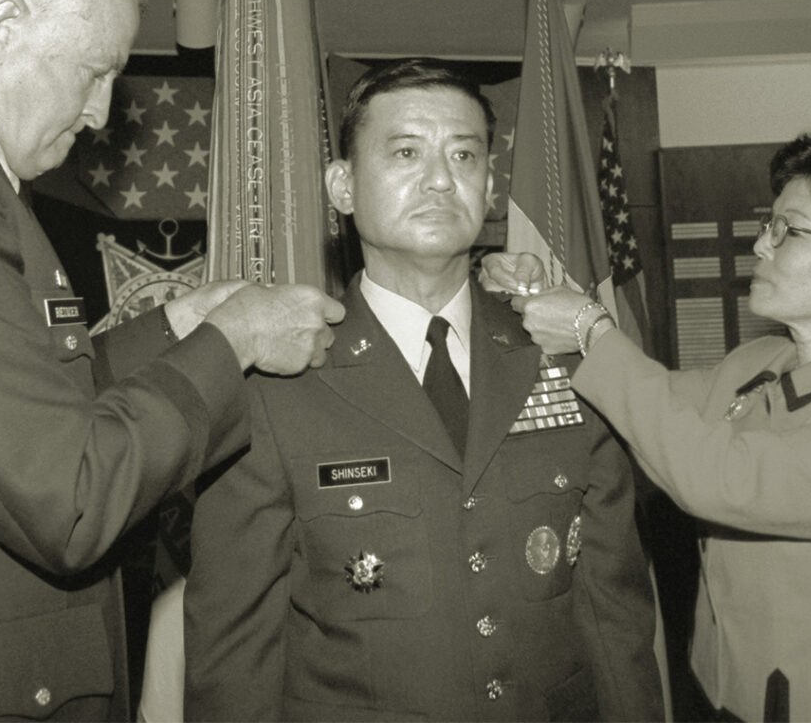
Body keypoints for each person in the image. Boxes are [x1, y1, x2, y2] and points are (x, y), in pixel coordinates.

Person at [0, 0, 344, 722]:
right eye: (95, 71)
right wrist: (231, 339)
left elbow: (32, 404)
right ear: (3, 28)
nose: (102, 113)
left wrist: (180, 326)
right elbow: (69, 496)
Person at [183, 58, 664, 722]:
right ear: (343, 186)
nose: (441, 178)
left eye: (464, 155)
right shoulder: (275, 383)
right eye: (406, 152)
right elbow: (234, 650)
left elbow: (615, 615)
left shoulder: (563, 360)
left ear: (489, 188)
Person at [482, 131, 811, 723]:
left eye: (789, 231)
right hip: (722, 694)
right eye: (768, 225)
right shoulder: (757, 363)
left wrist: (591, 329)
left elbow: (719, 479)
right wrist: (533, 299)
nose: (761, 243)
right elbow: (639, 408)